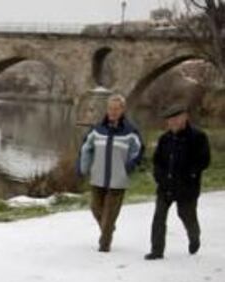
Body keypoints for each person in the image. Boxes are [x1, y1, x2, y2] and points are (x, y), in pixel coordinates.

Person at [78, 94, 144, 252]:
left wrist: (128, 166)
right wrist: (83, 168)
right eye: (110, 108)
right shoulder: (97, 130)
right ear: (107, 110)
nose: (113, 112)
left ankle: (104, 244)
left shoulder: (130, 132)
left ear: (122, 110)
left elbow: (138, 151)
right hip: (97, 177)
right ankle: (108, 229)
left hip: (118, 179)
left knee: (110, 215)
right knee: (95, 208)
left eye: (116, 109)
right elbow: (86, 149)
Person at [144, 104, 211, 260]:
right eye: (169, 120)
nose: (172, 122)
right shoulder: (164, 139)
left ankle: (194, 236)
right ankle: (157, 250)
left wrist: (191, 174)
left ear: (185, 117)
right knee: (159, 217)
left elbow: (204, 160)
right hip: (165, 186)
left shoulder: (198, 137)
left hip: (187, 187)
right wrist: (159, 177)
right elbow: (157, 161)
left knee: (186, 215)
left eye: (176, 119)